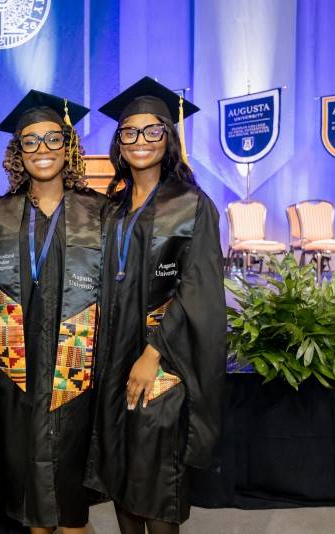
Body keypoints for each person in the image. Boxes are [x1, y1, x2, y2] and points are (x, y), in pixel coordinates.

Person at [84, 76, 226, 534]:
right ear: (118, 142)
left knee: (158, 480)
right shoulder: (115, 207)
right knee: (123, 475)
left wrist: (153, 353)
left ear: (169, 138)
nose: (140, 141)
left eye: (152, 131)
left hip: (162, 362)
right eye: (129, 132)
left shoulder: (191, 205)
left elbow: (197, 289)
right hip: (113, 359)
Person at [0, 90, 105, 534]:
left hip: (77, 360)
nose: (42, 150)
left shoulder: (100, 212)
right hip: (15, 363)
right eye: (30, 141)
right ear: (17, 151)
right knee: (26, 476)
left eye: (53, 139)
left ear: (69, 146)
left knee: (70, 481)